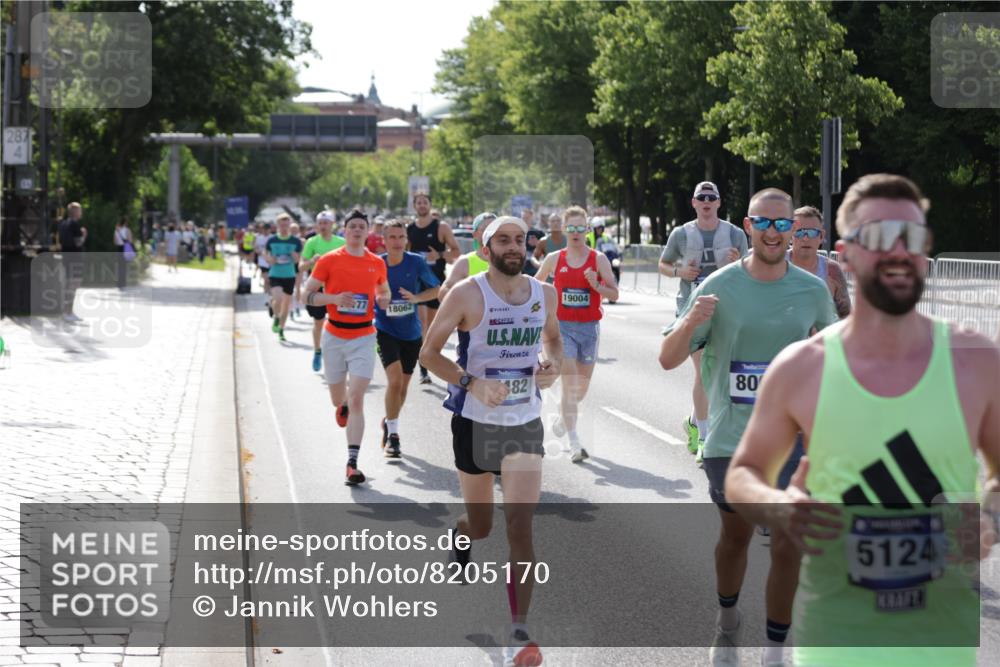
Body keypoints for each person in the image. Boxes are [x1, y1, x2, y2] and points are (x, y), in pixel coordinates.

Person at [726, 174, 1000, 667]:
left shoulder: (977, 360)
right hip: (834, 646)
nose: (899, 251)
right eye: (878, 237)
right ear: (845, 255)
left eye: (912, 237)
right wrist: (782, 507)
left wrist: (989, 520)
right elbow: (743, 475)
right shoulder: (801, 367)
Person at [659, 188, 837, 667]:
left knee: (788, 545)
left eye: (782, 224)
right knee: (735, 538)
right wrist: (690, 322)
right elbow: (667, 359)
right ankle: (727, 617)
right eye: (764, 223)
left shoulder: (812, 290)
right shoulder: (719, 285)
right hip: (730, 441)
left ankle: (775, 649)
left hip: (793, 444)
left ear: (793, 231)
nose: (773, 233)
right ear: (748, 226)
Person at [420, 215, 561, 667]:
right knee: (482, 526)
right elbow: (429, 354)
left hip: (524, 422)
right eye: (503, 240)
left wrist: (552, 366)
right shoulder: (467, 293)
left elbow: (554, 342)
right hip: (475, 422)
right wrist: (471, 382)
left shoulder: (544, 294)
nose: (514, 246)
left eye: (520, 239)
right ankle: (461, 535)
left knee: (520, 526)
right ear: (485, 249)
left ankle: (519, 632)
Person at [658, 181, 749, 463]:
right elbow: (663, 264)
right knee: (703, 373)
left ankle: (694, 422)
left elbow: (751, 269)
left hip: (727, 311)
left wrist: (738, 261)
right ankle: (705, 439)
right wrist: (679, 272)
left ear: (719, 203)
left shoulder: (734, 234)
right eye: (702, 197)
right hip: (692, 311)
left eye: (712, 197)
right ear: (694, 203)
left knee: (720, 374)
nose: (707, 201)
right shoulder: (681, 233)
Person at [302, 209, 390, 486]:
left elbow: (383, 290)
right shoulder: (329, 260)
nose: (357, 230)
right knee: (339, 398)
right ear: (345, 230)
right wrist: (334, 298)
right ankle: (341, 405)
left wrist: (384, 298)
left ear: (367, 231)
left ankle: (352, 463)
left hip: (364, 336)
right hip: (334, 336)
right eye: (352, 226)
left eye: (361, 226)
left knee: (357, 398)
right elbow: (307, 295)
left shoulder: (376, 262)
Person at [534, 206, 618, 462]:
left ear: (587, 230)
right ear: (564, 229)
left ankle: (563, 418)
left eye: (581, 227)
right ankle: (574, 443)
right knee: (570, 385)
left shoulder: (598, 259)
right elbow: (534, 286)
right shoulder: (554, 259)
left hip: (589, 329)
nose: (576, 232)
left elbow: (614, 294)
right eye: (571, 228)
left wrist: (597, 285)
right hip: (561, 329)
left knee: (580, 390)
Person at [374, 220, 441, 458]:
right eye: (392, 237)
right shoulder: (376, 263)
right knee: (394, 383)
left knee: (402, 388)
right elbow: (364, 290)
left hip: (411, 333)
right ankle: (393, 436)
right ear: (384, 240)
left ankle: (388, 421)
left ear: (406, 240)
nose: (397, 241)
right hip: (385, 329)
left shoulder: (416, 262)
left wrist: (415, 298)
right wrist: (378, 300)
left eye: (401, 237)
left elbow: (437, 289)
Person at [406, 192, 461, 384]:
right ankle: (423, 369)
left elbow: (456, 252)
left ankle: (431, 360)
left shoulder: (441, 227)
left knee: (431, 327)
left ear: (430, 205)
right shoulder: (410, 228)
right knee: (421, 324)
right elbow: (405, 253)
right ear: (415, 206)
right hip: (417, 284)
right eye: (419, 202)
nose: (422, 205)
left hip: (436, 284)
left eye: (425, 202)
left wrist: (439, 255)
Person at [300, 210, 346, 372]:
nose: (322, 226)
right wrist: (312, 261)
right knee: (318, 322)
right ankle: (317, 351)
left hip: (337, 287)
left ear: (332, 224)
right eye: (320, 223)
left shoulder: (341, 242)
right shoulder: (311, 242)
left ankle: (339, 355)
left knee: (340, 323)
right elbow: (301, 267)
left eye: (326, 223)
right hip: (317, 287)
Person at [789, 205, 852, 318]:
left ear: (822, 236)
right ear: (790, 235)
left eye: (812, 232)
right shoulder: (776, 264)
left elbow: (846, 316)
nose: (805, 238)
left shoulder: (832, 270)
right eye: (799, 232)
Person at [438, 211, 495, 302]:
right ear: (475, 235)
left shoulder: (507, 260)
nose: (490, 233)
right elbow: (443, 294)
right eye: (485, 229)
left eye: (493, 228)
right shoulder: (465, 262)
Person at [264, 214, 303, 342]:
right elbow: (266, 255)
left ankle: (281, 329)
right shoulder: (272, 240)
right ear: (277, 226)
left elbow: (298, 260)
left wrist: (293, 254)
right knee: (278, 298)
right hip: (275, 274)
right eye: (281, 225)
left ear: (289, 225)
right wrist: (270, 259)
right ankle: (276, 317)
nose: (284, 227)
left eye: (286, 225)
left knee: (286, 305)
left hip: (289, 275)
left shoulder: (295, 241)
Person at [58, 202, 87, 322]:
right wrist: (84, 235)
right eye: (80, 210)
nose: (81, 212)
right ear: (75, 212)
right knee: (73, 285)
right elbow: (78, 243)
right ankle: (67, 312)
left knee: (69, 284)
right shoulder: (75, 224)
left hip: (66, 257)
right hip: (75, 258)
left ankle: (68, 311)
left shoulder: (63, 224)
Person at [255, 223, 273, 311]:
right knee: (266, 280)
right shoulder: (259, 238)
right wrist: (258, 251)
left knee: (271, 281)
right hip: (263, 262)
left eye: (267, 230)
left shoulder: (273, 238)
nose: (265, 231)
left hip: (272, 262)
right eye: (264, 230)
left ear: (270, 230)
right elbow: (255, 247)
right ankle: (267, 298)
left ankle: (271, 296)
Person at [112, 217, 134, 290]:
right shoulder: (127, 230)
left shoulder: (116, 230)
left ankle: (118, 283)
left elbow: (115, 242)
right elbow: (130, 240)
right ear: (125, 223)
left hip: (119, 248)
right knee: (124, 266)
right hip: (125, 248)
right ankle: (123, 283)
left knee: (119, 266)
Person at [522, 209, 544, 277]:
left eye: (527, 218)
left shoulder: (539, 233)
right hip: (521, 266)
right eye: (523, 218)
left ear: (532, 218)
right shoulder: (517, 233)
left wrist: (538, 244)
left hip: (535, 267)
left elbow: (545, 250)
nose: (525, 220)